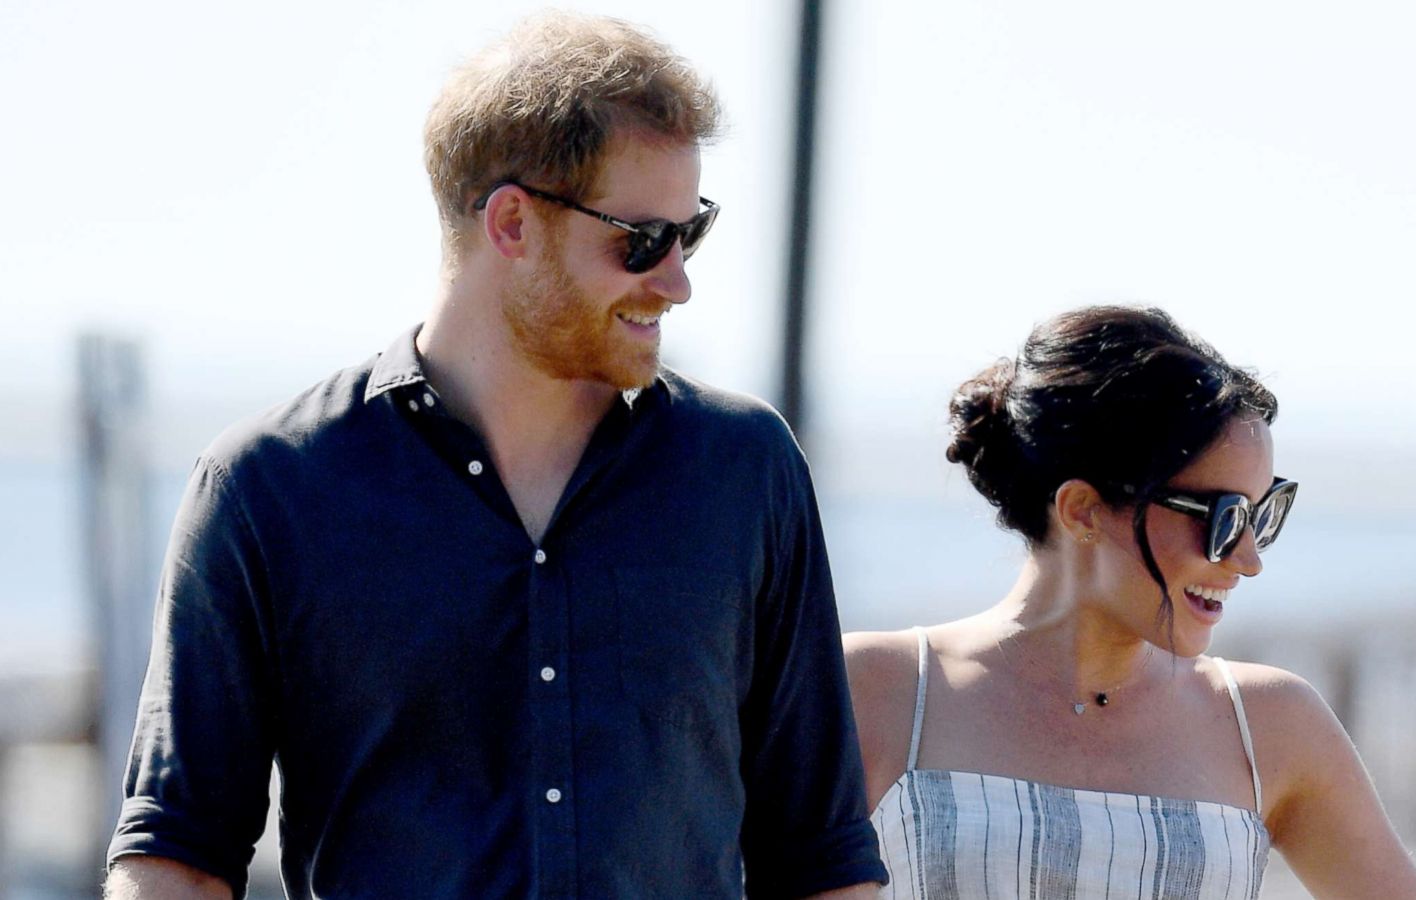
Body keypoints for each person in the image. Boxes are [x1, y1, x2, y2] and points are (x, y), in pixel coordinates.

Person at [105, 13, 886, 899]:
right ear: (512, 223)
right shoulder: (268, 488)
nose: (677, 281)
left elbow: (819, 854)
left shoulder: (746, 473)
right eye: (641, 241)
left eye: (690, 232)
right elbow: (179, 853)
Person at [844, 306, 1416, 899]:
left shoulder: (1272, 726)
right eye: (1219, 518)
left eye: (1261, 515)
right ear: (1084, 510)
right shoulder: (874, 692)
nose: (1247, 560)